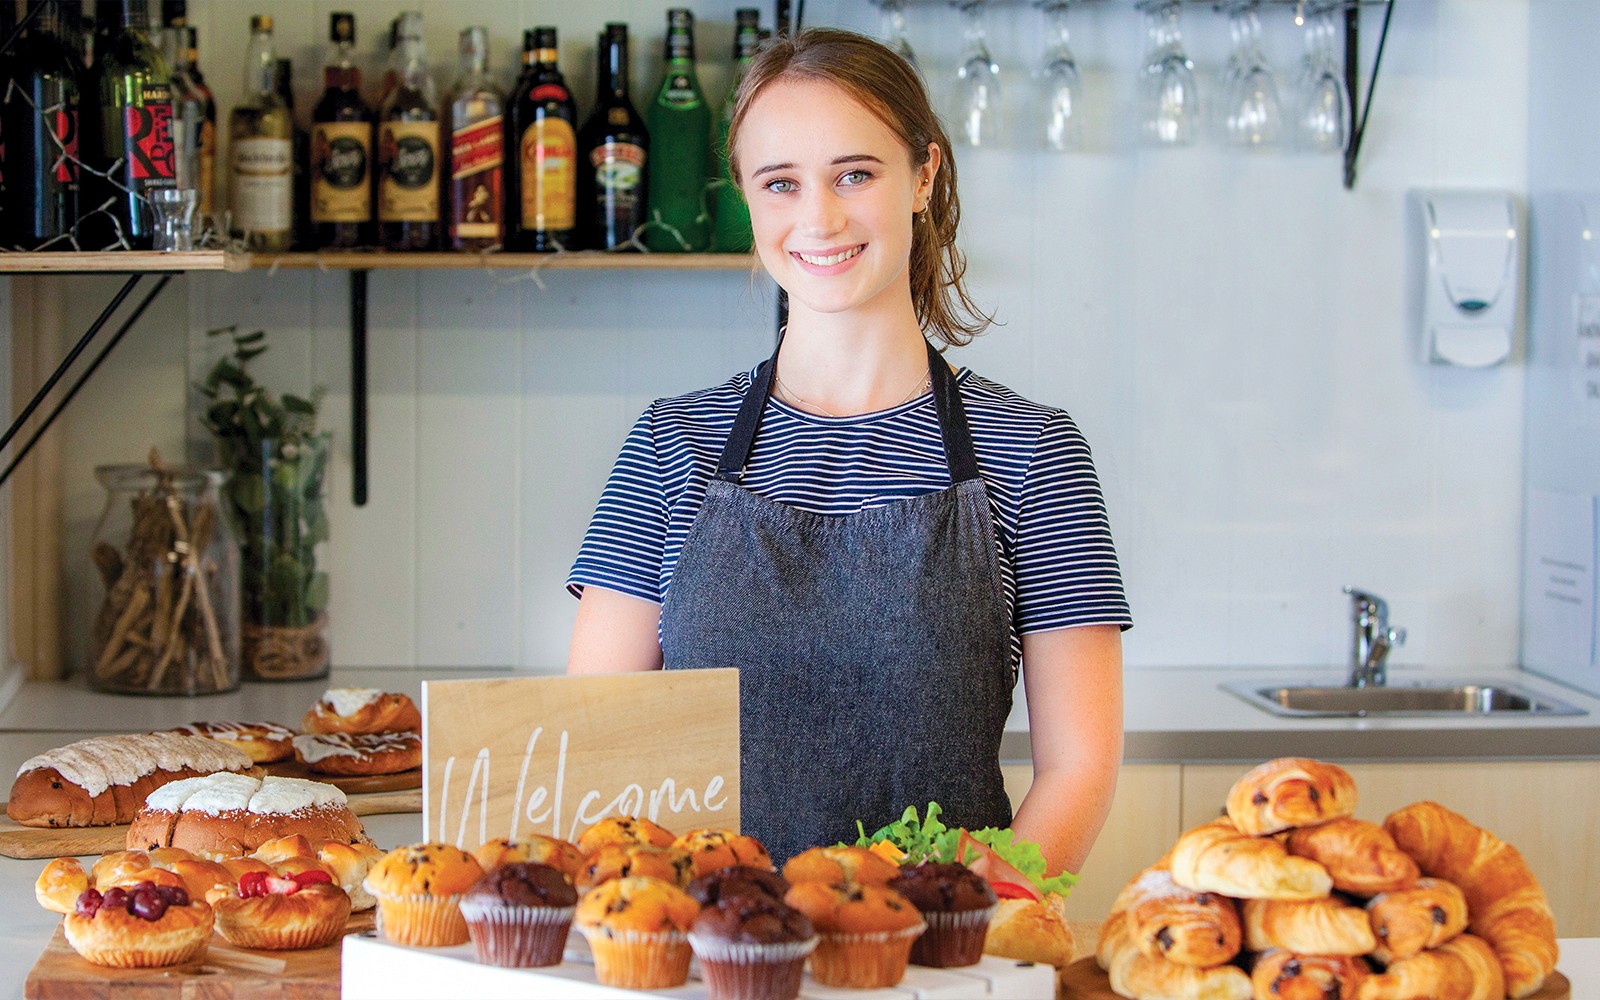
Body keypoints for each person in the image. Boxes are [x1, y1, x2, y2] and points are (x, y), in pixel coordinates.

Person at [566, 27, 1130, 875]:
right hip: (715, 956)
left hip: (943, 960)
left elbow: (1080, 769)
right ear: (748, 199)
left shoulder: (1033, 449)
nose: (818, 218)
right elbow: (595, 754)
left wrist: (960, 935)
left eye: (854, 174)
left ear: (923, 175)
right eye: (781, 183)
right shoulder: (670, 445)